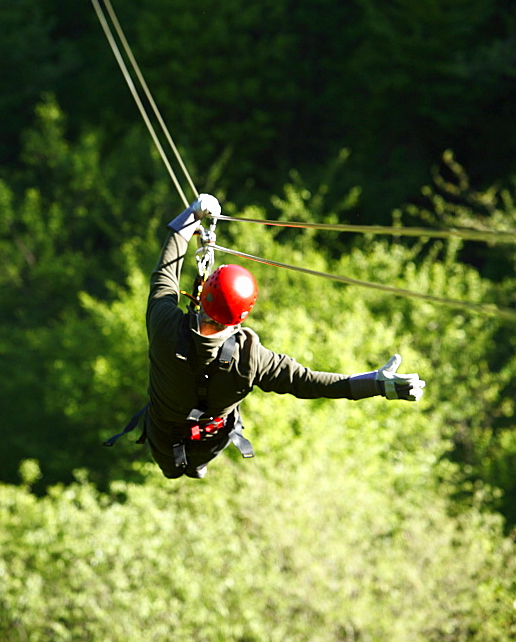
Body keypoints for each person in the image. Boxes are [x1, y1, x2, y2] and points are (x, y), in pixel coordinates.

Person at [108, 194, 426, 480]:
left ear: (202, 296)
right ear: (242, 315)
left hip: (165, 436)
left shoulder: (164, 328)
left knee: (169, 462)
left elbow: (164, 273)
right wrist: (377, 384)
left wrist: (190, 217)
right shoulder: (251, 357)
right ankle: (197, 465)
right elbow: (311, 383)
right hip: (210, 439)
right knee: (208, 439)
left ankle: (179, 468)